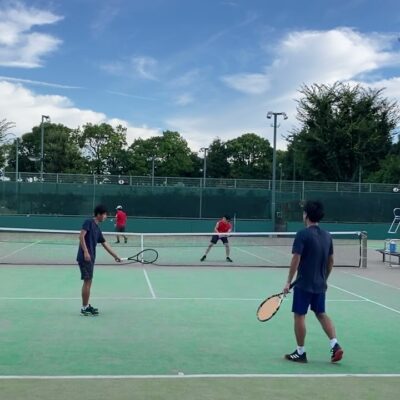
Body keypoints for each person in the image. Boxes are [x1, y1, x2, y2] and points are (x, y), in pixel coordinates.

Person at [283, 200, 343, 363]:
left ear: (306, 215)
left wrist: (288, 282)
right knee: (321, 313)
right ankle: (335, 344)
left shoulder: (302, 234)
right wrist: (325, 279)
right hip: (320, 284)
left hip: (303, 284)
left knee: (299, 315)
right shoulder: (327, 236)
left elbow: (296, 258)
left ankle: (300, 352)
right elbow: (331, 261)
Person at [77, 204, 121, 316]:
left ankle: (86, 305)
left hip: (91, 258)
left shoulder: (97, 228)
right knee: (87, 281)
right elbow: (81, 236)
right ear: (98, 214)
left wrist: (115, 255)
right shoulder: (88, 222)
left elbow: (104, 243)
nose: (106, 216)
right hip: (85, 257)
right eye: (105, 214)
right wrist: (86, 252)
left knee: (89, 281)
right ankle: (84, 308)